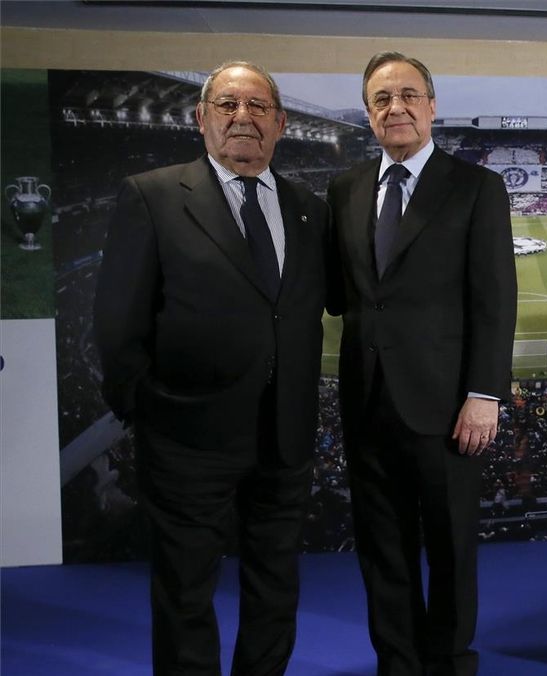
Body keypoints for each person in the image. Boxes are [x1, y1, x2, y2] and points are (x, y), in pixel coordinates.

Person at [93, 61, 328, 675]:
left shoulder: (307, 206)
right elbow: (118, 323)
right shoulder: (152, 195)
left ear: (280, 124)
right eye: (227, 105)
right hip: (186, 441)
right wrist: (148, 408)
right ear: (202, 119)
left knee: (276, 591)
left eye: (257, 107)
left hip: (284, 437)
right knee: (185, 595)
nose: (242, 117)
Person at [325, 52, 517, 676]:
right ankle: (398, 664)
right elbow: (338, 292)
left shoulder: (476, 187)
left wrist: (484, 391)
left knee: (451, 548)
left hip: (447, 408)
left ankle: (452, 661)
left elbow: (494, 298)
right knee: (383, 550)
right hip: (367, 401)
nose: (396, 107)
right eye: (382, 98)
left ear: (432, 107)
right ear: (368, 113)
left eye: (409, 95)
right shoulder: (344, 189)